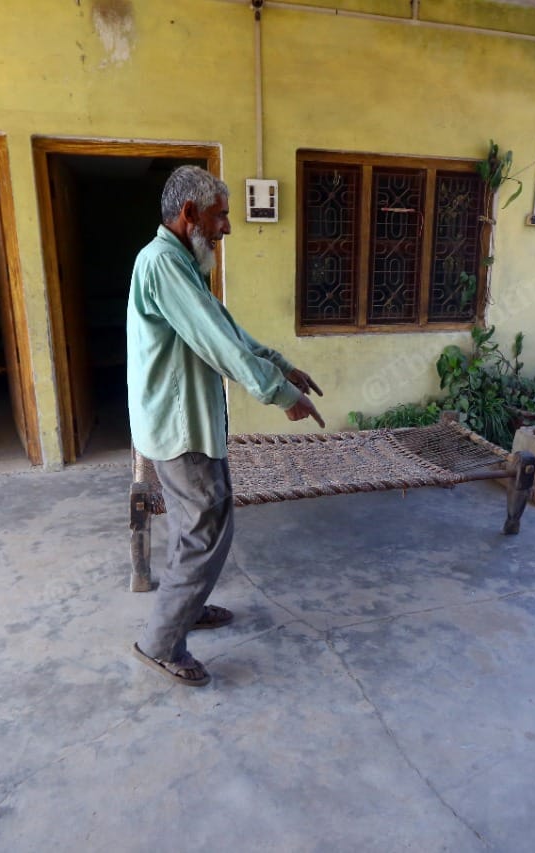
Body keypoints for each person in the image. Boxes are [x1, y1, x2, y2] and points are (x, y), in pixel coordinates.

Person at [127, 165, 324, 687]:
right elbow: (218, 342)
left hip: (184, 422)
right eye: (221, 216)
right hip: (181, 426)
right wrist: (280, 395)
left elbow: (225, 327)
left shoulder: (182, 264)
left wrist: (280, 364)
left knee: (199, 527)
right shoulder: (164, 264)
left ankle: (185, 609)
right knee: (206, 529)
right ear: (189, 213)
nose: (228, 228)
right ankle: (161, 642)